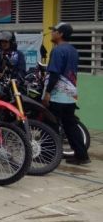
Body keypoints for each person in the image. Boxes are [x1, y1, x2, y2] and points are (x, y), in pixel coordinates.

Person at [43, 22, 90, 165]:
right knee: (70, 125)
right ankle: (82, 156)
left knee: (50, 125)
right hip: (71, 94)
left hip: (58, 94)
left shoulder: (58, 50)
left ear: (61, 34)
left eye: (54, 31)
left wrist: (48, 93)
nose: (52, 33)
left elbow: (55, 74)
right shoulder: (73, 50)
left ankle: (49, 156)